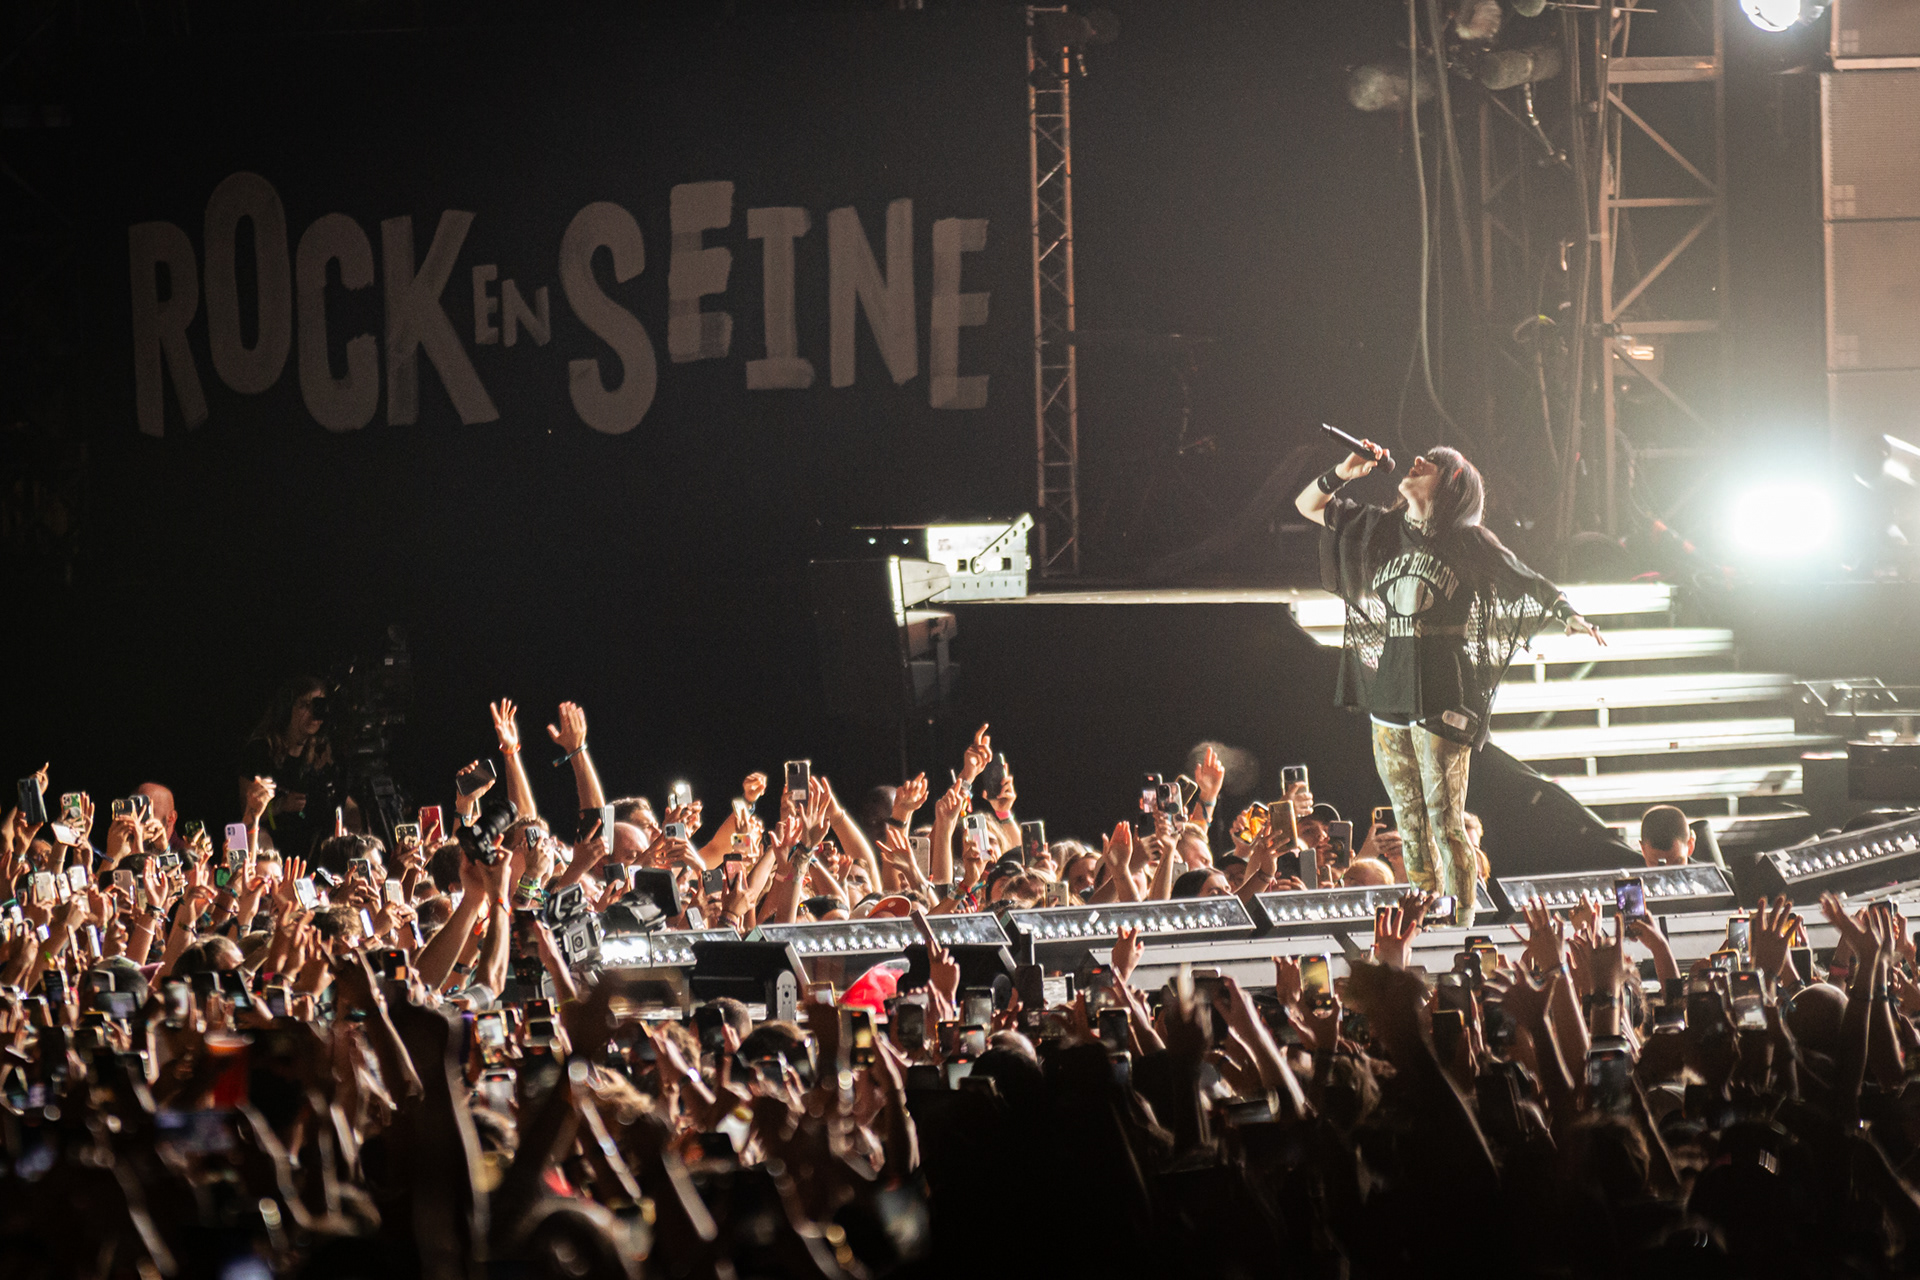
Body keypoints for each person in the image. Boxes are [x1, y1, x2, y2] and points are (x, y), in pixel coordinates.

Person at [1297, 442, 1605, 924]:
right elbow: (1307, 505)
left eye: (1432, 463)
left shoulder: (1468, 540)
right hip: (1392, 685)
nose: (1417, 462)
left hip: (1444, 686)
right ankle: (1427, 915)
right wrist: (1343, 472)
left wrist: (1569, 615)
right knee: (1409, 819)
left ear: (1453, 485)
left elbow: (1527, 579)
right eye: (1420, 458)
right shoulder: (1383, 528)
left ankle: (1462, 920)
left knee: (1444, 817)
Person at [237, 675, 342, 860]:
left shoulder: (321, 752)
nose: (313, 713)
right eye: (305, 706)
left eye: (318, 706)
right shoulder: (261, 751)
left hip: (310, 847)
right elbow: (247, 814)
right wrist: (281, 805)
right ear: (287, 708)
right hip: (269, 847)